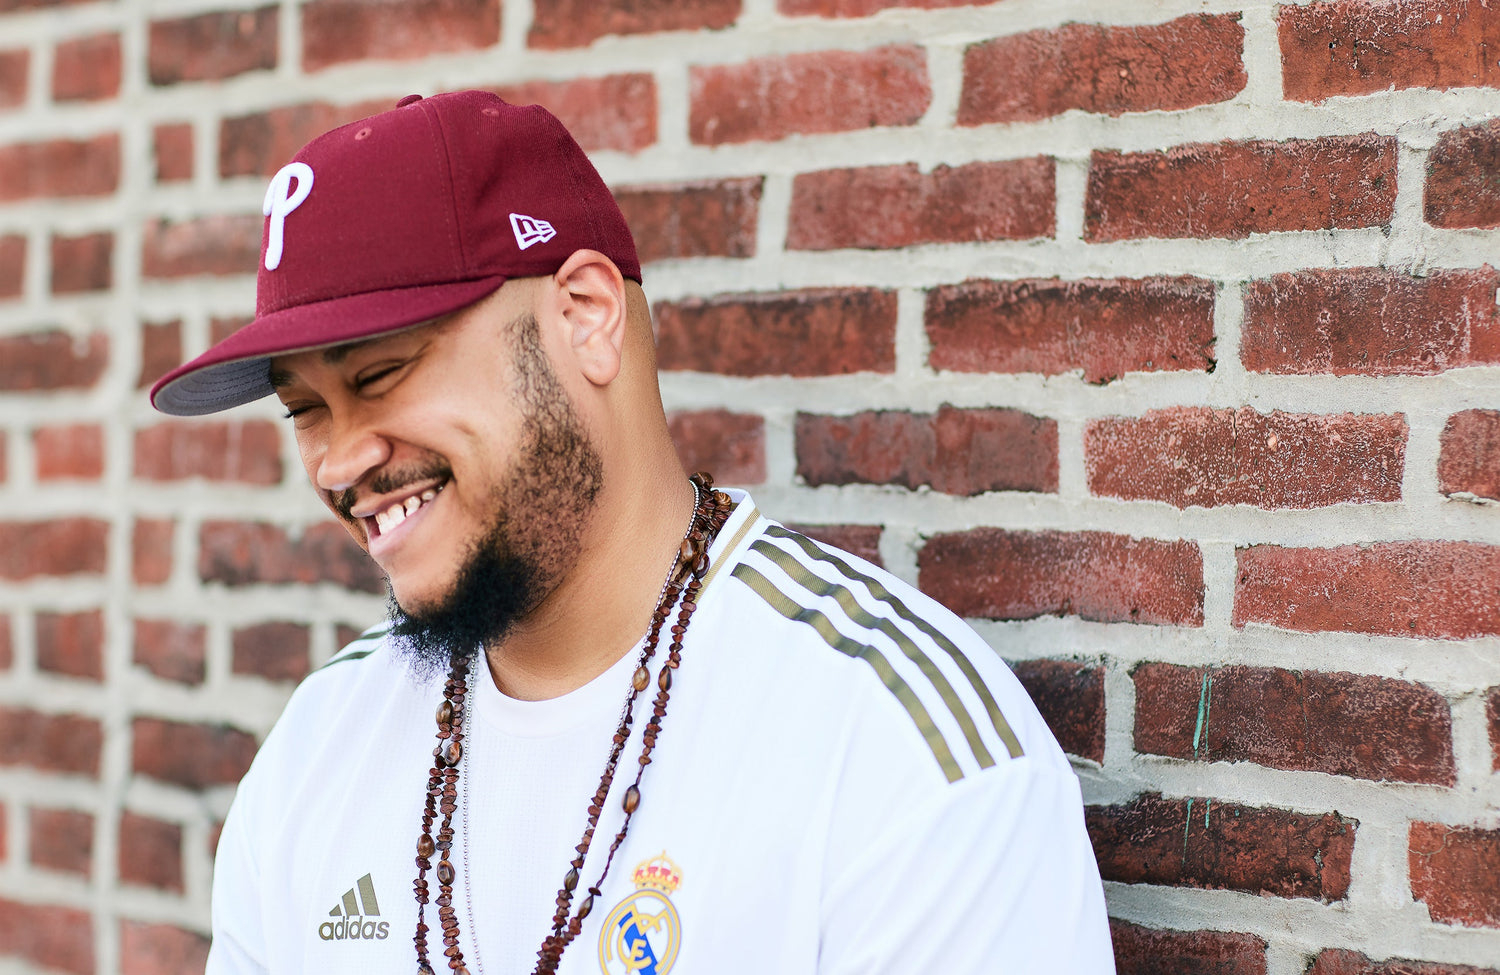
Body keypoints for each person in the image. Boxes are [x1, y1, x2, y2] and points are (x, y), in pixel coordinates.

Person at [151, 90, 1114, 975]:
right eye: (305, 411)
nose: (337, 461)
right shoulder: (319, 747)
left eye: (379, 375)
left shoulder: (895, 750)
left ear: (586, 315)